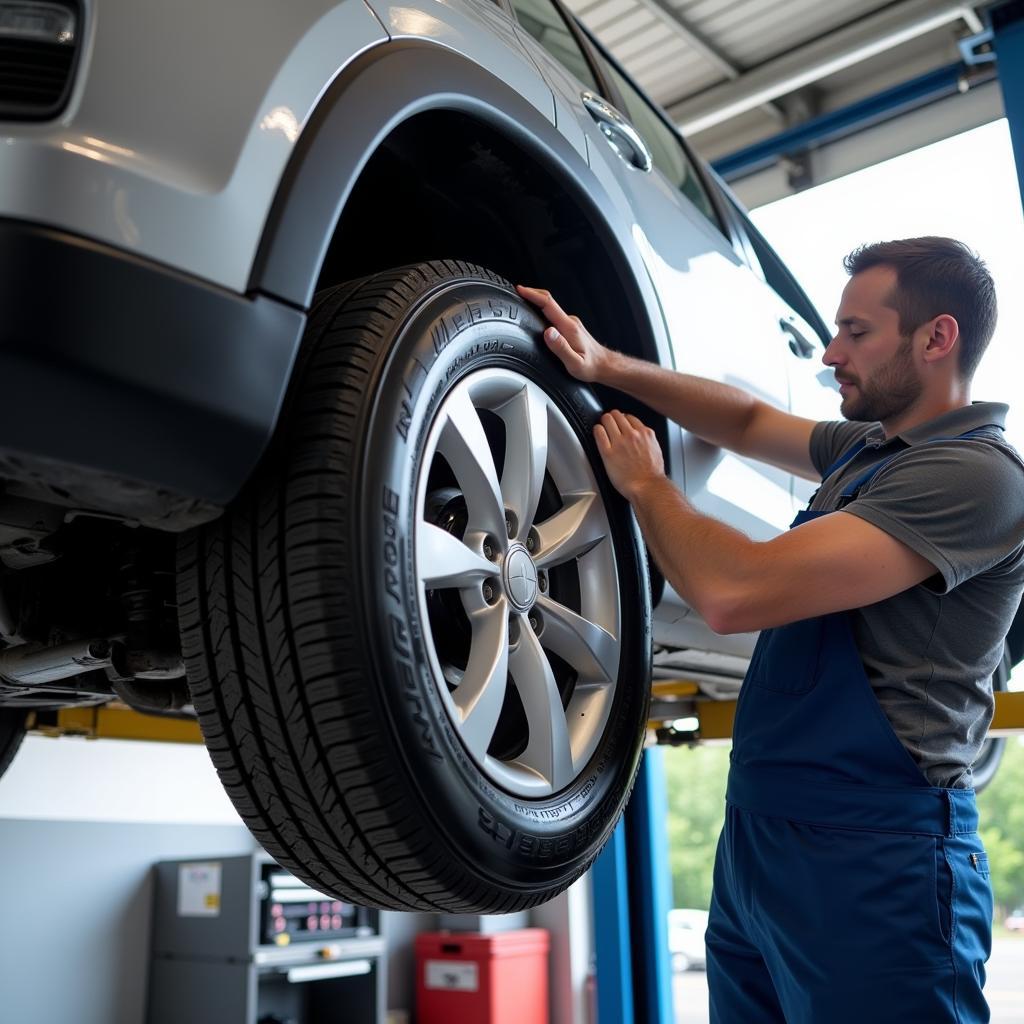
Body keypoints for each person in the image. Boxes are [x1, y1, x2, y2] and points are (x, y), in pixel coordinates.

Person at [517, 236, 1024, 1023]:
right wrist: (606, 364)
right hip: (759, 835)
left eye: (857, 332)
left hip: (876, 857)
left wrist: (648, 484)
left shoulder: (975, 476)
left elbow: (732, 592)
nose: (829, 354)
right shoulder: (866, 450)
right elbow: (749, 420)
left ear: (937, 337)